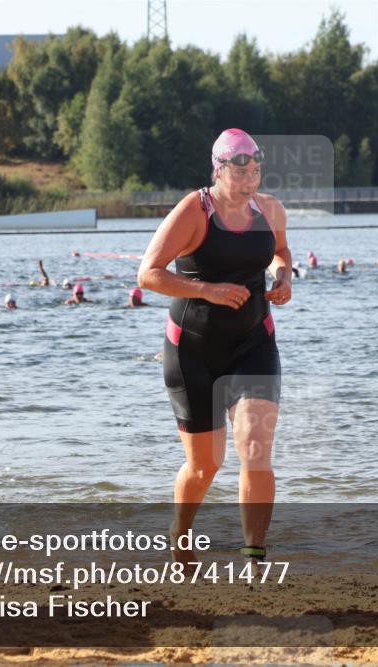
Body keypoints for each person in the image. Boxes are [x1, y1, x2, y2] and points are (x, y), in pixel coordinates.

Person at [138, 128, 292, 569]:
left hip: (253, 344)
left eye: (256, 171)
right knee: (206, 467)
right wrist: (209, 290)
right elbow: (148, 275)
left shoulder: (271, 209)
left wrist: (283, 280)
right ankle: (181, 531)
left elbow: (281, 252)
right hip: (193, 351)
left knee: (256, 446)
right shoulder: (194, 210)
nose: (250, 181)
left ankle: (254, 557)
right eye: (240, 172)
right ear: (218, 170)